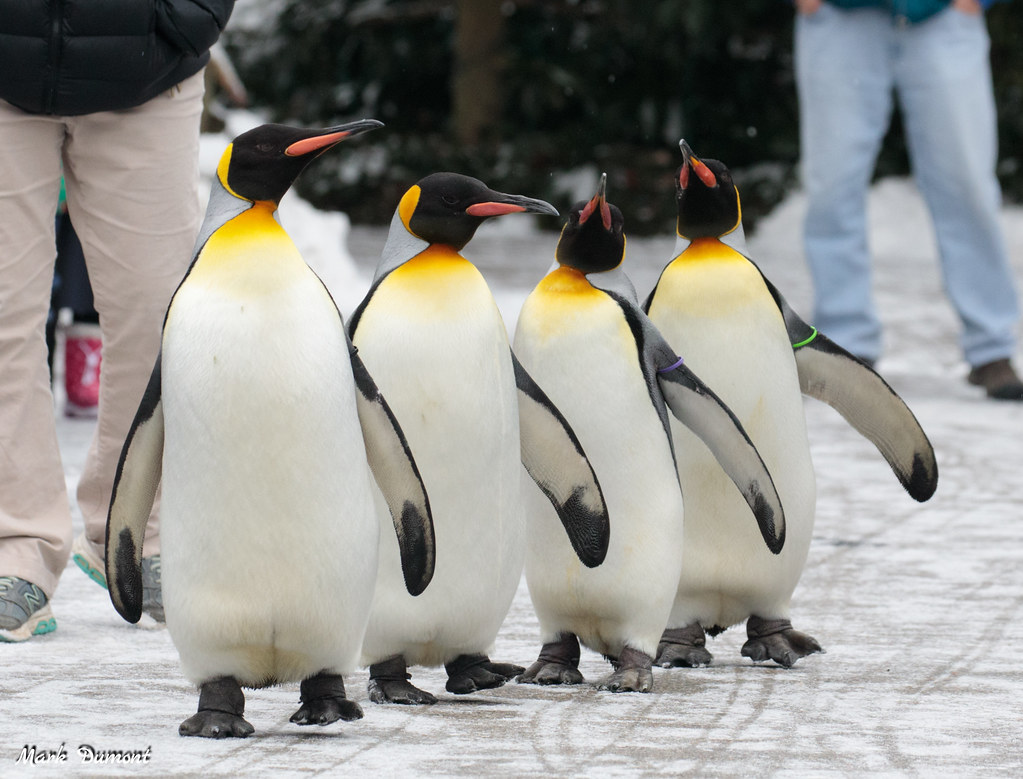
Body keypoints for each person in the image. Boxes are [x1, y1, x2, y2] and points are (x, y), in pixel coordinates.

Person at [0, 0, 236, 642]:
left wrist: (186, 19)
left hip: (145, 70)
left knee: (158, 319)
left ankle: (140, 531)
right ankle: (15, 544)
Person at [793, 0, 1023, 400]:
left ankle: (992, 347)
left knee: (966, 182)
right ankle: (846, 346)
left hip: (945, 14)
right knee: (832, 184)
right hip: (838, 17)